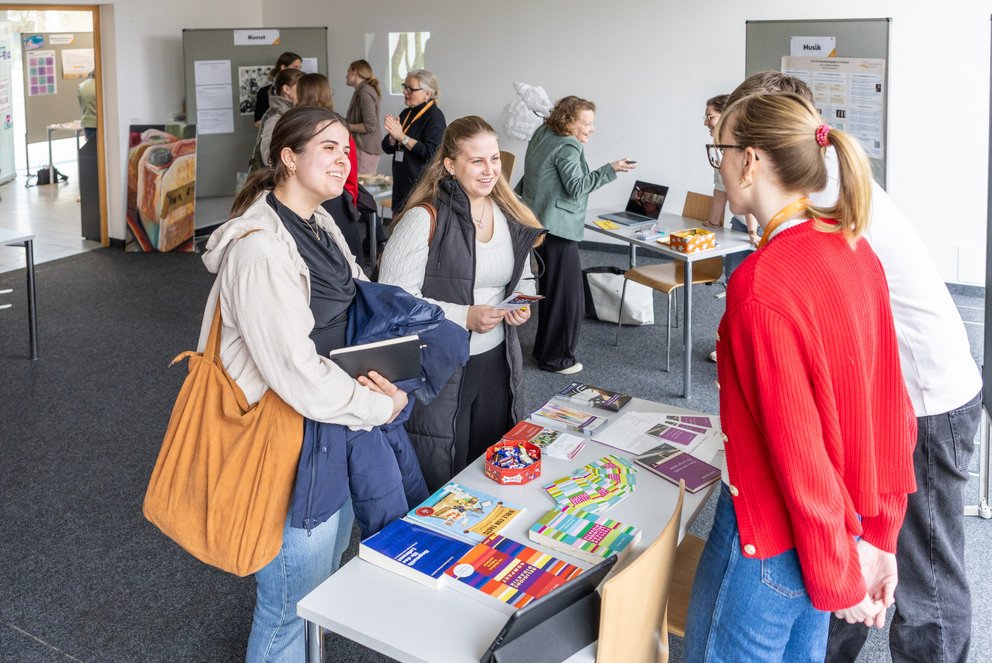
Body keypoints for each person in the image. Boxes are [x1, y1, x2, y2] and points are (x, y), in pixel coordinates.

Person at [683, 92, 917, 661]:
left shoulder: (762, 283)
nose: (718, 166)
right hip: (837, 535)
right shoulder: (855, 250)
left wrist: (841, 574)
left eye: (720, 152)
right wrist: (878, 539)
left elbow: (799, 454)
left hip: (774, 544)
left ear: (750, 161)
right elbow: (891, 412)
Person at [199, 106, 409, 661]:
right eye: (328, 149)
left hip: (331, 427)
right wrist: (377, 407)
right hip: (289, 438)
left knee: (322, 575)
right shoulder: (261, 249)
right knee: (291, 603)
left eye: (346, 148)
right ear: (288, 159)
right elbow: (293, 372)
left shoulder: (319, 221)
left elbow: (358, 293)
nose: (343, 160)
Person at [378, 115, 545, 491]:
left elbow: (521, 272)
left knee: (490, 458)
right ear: (450, 165)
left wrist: (521, 302)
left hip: (499, 359)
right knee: (444, 468)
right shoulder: (424, 219)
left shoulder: (506, 212)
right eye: (477, 161)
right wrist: (463, 316)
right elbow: (392, 299)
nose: (490, 171)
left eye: (495, 160)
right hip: (442, 364)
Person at [515, 95, 635, 374]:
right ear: (569, 121)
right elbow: (577, 187)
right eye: (588, 123)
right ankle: (556, 359)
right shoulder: (568, 145)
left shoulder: (543, 132)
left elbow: (534, 175)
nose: (592, 129)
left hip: (539, 221)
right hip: (558, 228)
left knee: (551, 291)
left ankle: (543, 351)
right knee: (568, 297)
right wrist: (611, 169)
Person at [701, 93, 758, 363]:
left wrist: (752, 232)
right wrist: (712, 224)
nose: (705, 121)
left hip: (754, 227)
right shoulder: (721, 148)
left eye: (710, 116)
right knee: (734, 284)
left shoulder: (739, 150)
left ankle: (745, 349)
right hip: (742, 225)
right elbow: (721, 189)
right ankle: (732, 346)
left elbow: (746, 194)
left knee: (749, 290)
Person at [294, 72, 364, 262]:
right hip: (333, 200)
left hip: (302, 202)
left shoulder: (294, 124)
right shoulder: (337, 125)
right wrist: (350, 200)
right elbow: (351, 171)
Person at [381, 69, 446, 214]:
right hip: (401, 184)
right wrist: (392, 138)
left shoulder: (435, 116)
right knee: (396, 228)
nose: (405, 92)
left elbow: (431, 154)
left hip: (419, 186)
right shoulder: (407, 112)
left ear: (427, 94)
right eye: (405, 87)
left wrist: (402, 137)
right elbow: (387, 148)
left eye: (411, 89)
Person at [249, 67, 304, 173]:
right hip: (273, 181)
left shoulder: (289, 112)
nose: (303, 90)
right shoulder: (276, 115)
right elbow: (268, 156)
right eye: (299, 86)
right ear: (286, 89)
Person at [345, 59, 384, 175]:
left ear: (354, 72)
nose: (346, 75)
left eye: (348, 71)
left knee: (363, 187)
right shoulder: (362, 90)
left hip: (365, 149)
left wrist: (346, 125)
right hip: (363, 148)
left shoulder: (364, 92)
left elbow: (370, 125)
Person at [253, 51, 302, 127]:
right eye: (295, 67)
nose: (299, 70)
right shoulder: (264, 91)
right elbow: (257, 122)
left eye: (300, 67)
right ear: (283, 67)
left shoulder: (301, 89)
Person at [78, 71, 97, 143]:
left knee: (92, 149)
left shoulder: (82, 86)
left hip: (87, 124)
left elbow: (81, 106)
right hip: (100, 124)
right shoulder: (101, 85)